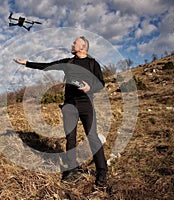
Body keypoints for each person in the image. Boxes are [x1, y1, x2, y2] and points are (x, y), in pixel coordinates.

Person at [14, 36, 108, 186]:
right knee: (70, 138)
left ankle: (102, 171)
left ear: (83, 46)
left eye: (75, 43)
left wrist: (90, 88)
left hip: (86, 105)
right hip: (69, 105)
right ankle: (72, 169)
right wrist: (27, 63)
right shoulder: (68, 62)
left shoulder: (92, 63)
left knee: (93, 137)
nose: (72, 44)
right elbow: (48, 66)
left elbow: (101, 83)